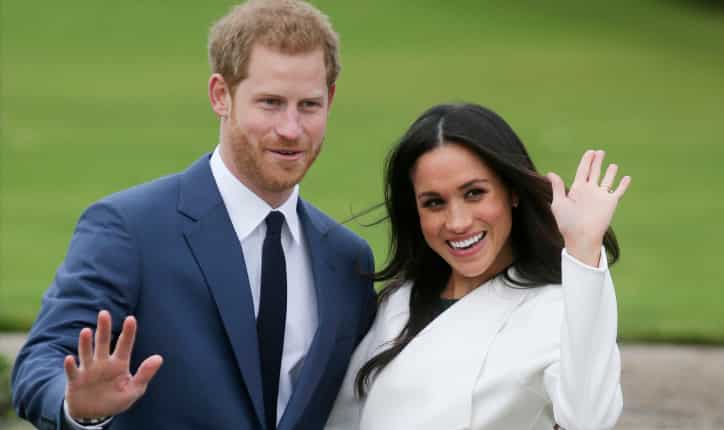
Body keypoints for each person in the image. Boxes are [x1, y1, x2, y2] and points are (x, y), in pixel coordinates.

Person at [11, 1, 376, 429]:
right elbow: (41, 362)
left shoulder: (348, 260)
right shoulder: (129, 229)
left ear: (330, 99)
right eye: (271, 103)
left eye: (309, 106)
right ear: (221, 95)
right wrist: (78, 407)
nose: (291, 129)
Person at [325, 103, 629, 430]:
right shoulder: (399, 300)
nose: (458, 222)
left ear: (511, 191)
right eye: (434, 203)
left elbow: (590, 418)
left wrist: (583, 250)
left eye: (474, 193)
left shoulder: (555, 308)